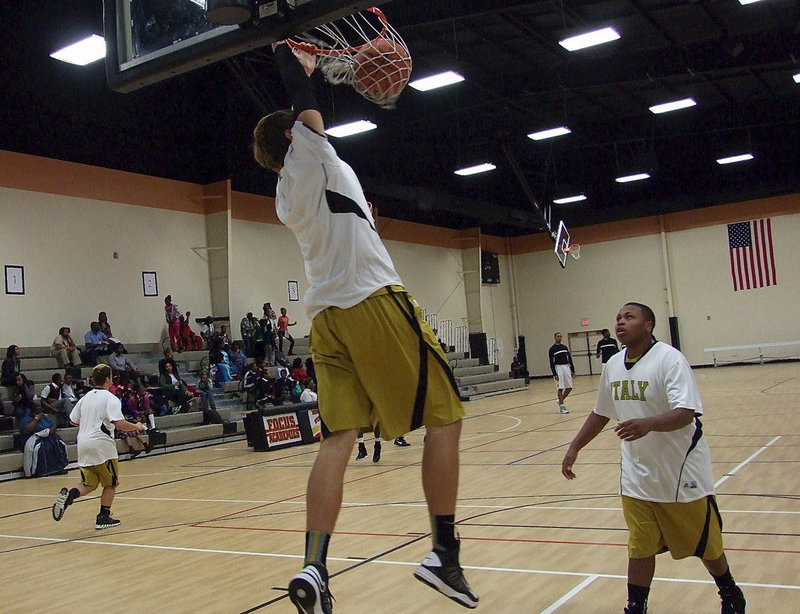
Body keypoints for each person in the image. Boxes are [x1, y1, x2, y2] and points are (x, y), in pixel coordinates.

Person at [253, 41, 477, 612]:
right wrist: (288, 47)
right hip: (371, 301)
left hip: (326, 321)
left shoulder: (286, 193)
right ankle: (444, 555)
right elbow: (302, 103)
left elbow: (306, 111)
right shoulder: (312, 154)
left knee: (337, 441)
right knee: (446, 415)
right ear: (291, 138)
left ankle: (314, 566)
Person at [561, 303, 746, 614]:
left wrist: (647, 425)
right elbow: (601, 412)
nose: (620, 322)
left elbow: (686, 413)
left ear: (648, 325)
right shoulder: (613, 365)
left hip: (679, 468)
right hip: (636, 471)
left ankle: (729, 592)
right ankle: (635, 607)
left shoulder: (670, 359)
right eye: (618, 317)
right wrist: (575, 445)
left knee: (705, 544)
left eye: (629, 317)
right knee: (640, 543)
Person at [52, 364, 147, 529]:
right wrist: (137, 427)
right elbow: (119, 424)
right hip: (101, 444)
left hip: (83, 443)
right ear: (108, 379)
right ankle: (103, 517)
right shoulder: (110, 398)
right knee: (111, 483)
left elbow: (73, 420)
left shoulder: (86, 397)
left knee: (89, 483)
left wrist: (91, 420)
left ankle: (68, 498)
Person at [18, 403, 69, 477]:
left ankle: (58, 468)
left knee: (58, 444)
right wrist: (36, 419)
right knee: (43, 448)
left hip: (48, 437)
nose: (40, 409)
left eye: (40, 407)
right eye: (37, 407)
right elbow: (27, 430)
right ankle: (41, 470)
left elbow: (54, 426)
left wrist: (50, 430)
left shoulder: (45, 417)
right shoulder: (26, 419)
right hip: (34, 439)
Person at [548, 332, 575, 414]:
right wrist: (554, 373)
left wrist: (572, 370)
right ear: (555, 337)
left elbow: (569, 358)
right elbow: (551, 362)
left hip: (566, 367)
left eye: (560, 336)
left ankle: (560, 400)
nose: (559, 338)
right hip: (558, 367)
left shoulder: (564, 347)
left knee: (569, 387)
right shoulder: (552, 349)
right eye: (558, 336)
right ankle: (562, 406)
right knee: (560, 387)